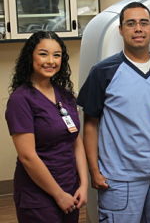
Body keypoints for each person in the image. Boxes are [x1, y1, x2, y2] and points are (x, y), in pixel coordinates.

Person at [77, 1, 150, 223]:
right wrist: (95, 170)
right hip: (121, 179)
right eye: (131, 23)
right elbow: (90, 123)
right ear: (121, 30)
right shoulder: (104, 72)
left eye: (143, 23)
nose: (138, 28)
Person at [5, 31, 88, 223]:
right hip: (39, 195)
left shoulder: (65, 96)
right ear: (30, 56)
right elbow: (27, 156)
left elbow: (76, 142)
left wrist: (83, 184)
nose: (50, 61)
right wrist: (58, 195)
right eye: (43, 54)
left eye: (56, 55)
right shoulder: (21, 99)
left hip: (70, 188)